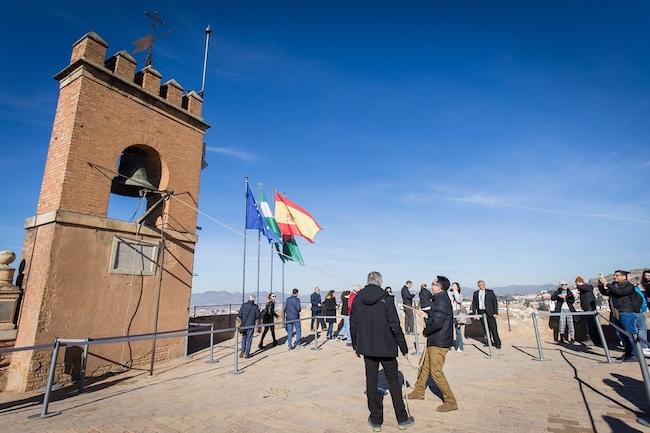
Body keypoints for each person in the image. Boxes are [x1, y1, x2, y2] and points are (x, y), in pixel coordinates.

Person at [351, 271, 414, 431]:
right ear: (380, 281)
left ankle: (376, 420)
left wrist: (356, 345)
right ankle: (402, 418)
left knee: (371, 382)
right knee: (394, 382)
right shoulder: (386, 297)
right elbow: (394, 323)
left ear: (368, 281)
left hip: (368, 347)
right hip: (386, 346)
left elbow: (354, 323)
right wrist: (403, 347)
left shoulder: (358, 298)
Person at [408, 276, 458, 412]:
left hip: (439, 341)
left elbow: (437, 323)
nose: (432, 286)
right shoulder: (440, 299)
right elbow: (436, 316)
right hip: (435, 339)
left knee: (436, 372)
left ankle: (450, 401)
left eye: (433, 284)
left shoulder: (441, 300)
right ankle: (419, 392)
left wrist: (425, 331)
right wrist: (426, 315)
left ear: (439, 287)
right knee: (425, 367)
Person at [598, 270, 643, 361]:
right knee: (622, 334)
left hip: (626, 312)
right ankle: (628, 353)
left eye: (617, 275)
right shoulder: (614, 285)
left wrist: (607, 283)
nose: (615, 277)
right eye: (614, 275)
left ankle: (635, 354)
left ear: (624, 277)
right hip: (616, 313)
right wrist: (600, 286)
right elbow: (606, 293)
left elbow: (620, 293)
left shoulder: (629, 286)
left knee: (630, 334)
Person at [471, 280, 501, 349]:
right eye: (480, 285)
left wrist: (495, 312)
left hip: (490, 313)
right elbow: (474, 304)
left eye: (483, 284)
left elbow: (495, 303)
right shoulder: (475, 293)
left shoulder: (490, 292)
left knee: (493, 328)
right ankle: (489, 342)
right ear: (478, 286)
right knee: (485, 329)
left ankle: (497, 343)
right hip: (481, 312)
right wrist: (475, 313)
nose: (482, 286)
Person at [576, 276, 600, 345]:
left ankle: (594, 340)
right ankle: (595, 340)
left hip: (589, 308)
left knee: (592, 325)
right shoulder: (584, 288)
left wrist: (579, 285)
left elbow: (583, 287)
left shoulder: (587, 287)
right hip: (587, 308)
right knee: (590, 325)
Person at [633, 276, 650, 356]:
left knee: (641, 329)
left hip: (639, 311)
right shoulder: (636, 289)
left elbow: (642, 301)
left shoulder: (635, 289)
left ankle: (643, 347)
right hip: (639, 311)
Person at [448, 282, 464, 352]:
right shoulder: (448, 294)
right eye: (452, 286)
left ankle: (459, 346)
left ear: (458, 287)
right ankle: (448, 346)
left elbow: (458, 300)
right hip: (449, 314)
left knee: (458, 331)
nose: (453, 287)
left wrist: (455, 292)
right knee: (448, 330)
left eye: (455, 286)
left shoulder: (459, 295)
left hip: (457, 314)